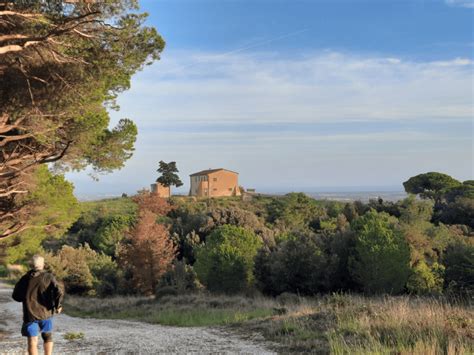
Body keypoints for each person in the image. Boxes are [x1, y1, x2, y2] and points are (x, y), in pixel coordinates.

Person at [12, 255, 64, 355]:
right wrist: (58, 306)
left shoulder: (24, 279)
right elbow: (59, 291)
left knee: (32, 341)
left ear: (31, 265)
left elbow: (16, 296)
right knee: (47, 336)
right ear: (43, 265)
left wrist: (26, 297)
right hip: (46, 313)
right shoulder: (49, 277)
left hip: (30, 315)